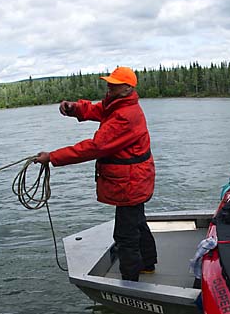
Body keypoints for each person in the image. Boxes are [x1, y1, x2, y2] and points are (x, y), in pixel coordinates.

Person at [35, 66, 157, 281]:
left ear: (128, 88)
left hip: (131, 182)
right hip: (135, 179)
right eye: (109, 82)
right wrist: (74, 108)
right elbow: (95, 110)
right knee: (137, 222)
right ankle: (147, 264)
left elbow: (95, 147)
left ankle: (130, 282)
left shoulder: (125, 116)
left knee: (125, 235)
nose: (109, 86)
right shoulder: (117, 104)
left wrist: (53, 157)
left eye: (114, 84)